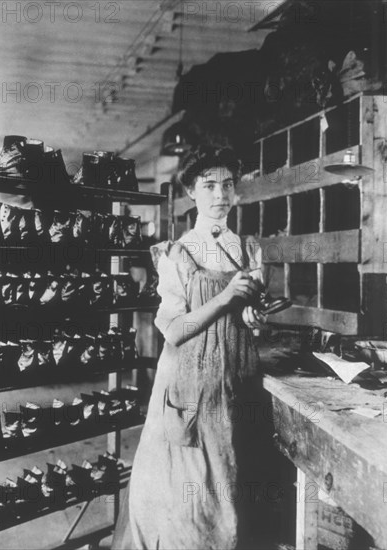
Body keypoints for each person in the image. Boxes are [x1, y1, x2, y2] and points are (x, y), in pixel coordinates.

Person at [114, 146, 269, 550]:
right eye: (210, 186)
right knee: (192, 504)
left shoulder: (249, 249)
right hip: (190, 387)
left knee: (232, 490)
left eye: (228, 185)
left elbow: (248, 312)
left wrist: (253, 317)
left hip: (234, 380)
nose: (221, 195)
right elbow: (174, 331)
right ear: (192, 194)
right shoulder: (177, 253)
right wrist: (225, 301)